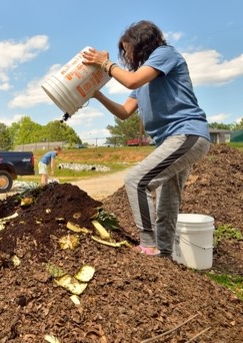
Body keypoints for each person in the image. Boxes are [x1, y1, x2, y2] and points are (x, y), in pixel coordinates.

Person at [82, 20, 211, 257]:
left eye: (128, 48)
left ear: (142, 44)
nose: (126, 55)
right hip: (174, 139)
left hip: (187, 133)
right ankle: (163, 252)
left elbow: (131, 79)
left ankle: (148, 244)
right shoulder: (142, 81)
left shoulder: (165, 54)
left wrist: (104, 64)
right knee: (168, 198)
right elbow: (124, 112)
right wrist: (97, 94)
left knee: (136, 181)